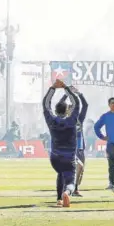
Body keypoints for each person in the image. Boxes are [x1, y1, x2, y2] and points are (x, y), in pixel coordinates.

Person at [42, 79, 80, 207]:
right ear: (67, 111)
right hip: (69, 157)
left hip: (55, 158)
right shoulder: (72, 120)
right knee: (70, 181)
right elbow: (77, 103)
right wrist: (66, 88)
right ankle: (67, 193)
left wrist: (53, 88)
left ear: (56, 110)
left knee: (60, 174)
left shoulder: (51, 121)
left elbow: (45, 104)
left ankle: (59, 199)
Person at [60, 89, 88, 196]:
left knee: (80, 170)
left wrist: (79, 93)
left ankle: (75, 189)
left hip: (80, 148)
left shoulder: (79, 119)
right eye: (69, 108)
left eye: (73, 108)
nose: (71, 109)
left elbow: (85, 105)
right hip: (70, 148)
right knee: (71, 169)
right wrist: (66, 94)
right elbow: (60, 104)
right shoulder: (63, 119)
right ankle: (66, 189)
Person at [94, 97, 114, 189]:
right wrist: (102, 137)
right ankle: (111, 184)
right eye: (113, 103)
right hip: (111, 145)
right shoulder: (105, 116)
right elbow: (96, 127)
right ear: (109, 105)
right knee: (112, 165)